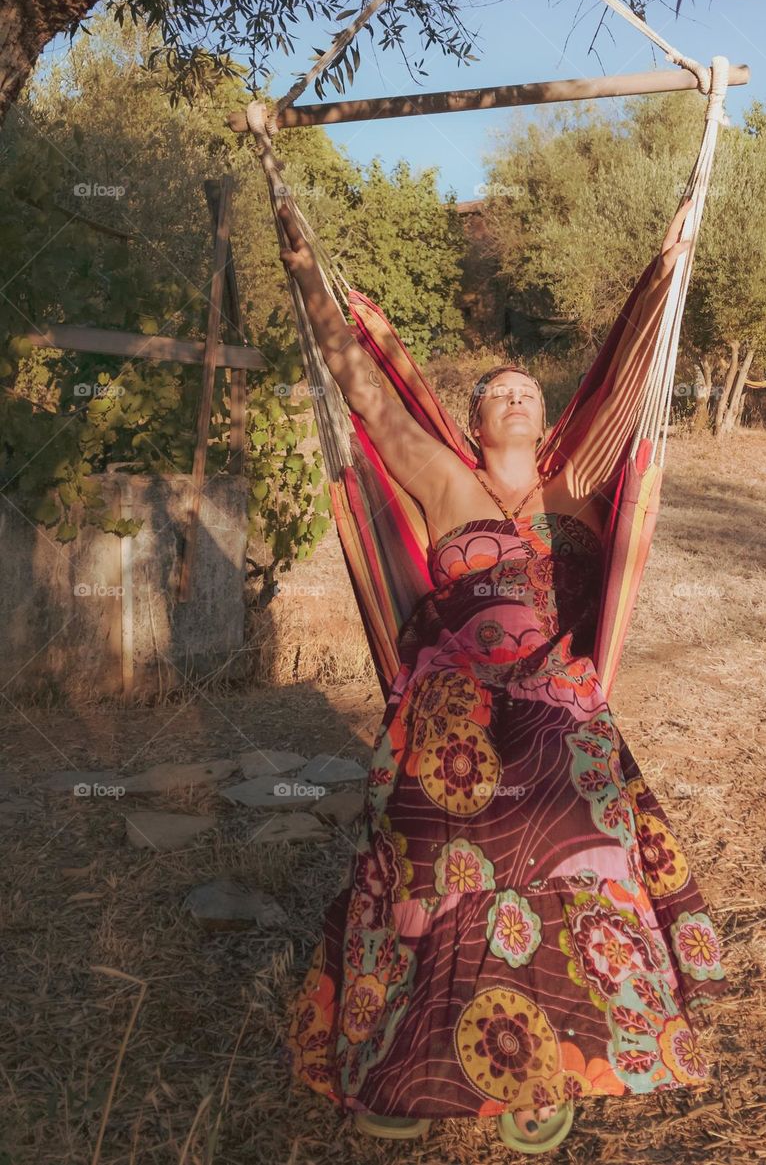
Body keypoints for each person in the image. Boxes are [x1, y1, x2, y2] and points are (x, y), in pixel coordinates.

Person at [277, 199, 729, 1153]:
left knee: (570, 814)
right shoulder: (441, 480)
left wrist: (671, 260)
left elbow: (634, 375)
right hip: (452, 694)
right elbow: (362, 389)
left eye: (530, 390)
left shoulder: (577, 485)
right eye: (499, 392)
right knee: (420, 830)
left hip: (556, 695)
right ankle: (402, 1054)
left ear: (546, 413)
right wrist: (304, 269)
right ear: (472, 416)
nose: (517, 398)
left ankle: (560, 1049)